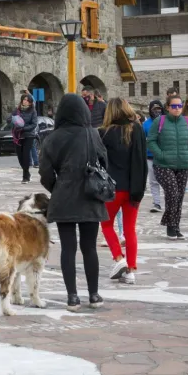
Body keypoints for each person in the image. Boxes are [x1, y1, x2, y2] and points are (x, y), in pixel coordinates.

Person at [40, 94, 108, 311]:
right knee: (90, 248)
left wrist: (57, 188)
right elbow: (104, 162)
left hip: (64, 197)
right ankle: (94, 295)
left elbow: (45, 173)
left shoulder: (52, 138)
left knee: (68, 248)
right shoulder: (92, 134)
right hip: (90, 196)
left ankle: (72, 297)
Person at [99, 98, 147, 285]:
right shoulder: (138, 130)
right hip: (133, 187)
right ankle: (131, 271)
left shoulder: (104, 133)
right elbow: (142, 160)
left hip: (112, 188)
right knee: (129, 230)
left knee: (106, 225)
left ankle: (119, 259)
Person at [147, 94, 188, 240]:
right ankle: (170, 225)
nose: (177, 109)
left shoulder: (187, 121)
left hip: (183, 164)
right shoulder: (159, 121)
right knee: (173, 193)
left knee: (179, 196)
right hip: (163, 165)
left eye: (179, 106)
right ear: (167, 107)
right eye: (174, 106)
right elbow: (151, 140)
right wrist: (160, 154)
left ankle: (175, 226)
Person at [142, 100, 164, 213]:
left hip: (165, 157)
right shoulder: (145, 125)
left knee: (166, 181)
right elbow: (142, 140)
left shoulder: (166, 121)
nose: (157, 111)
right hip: (150, 157)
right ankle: (157, 203)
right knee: (153, 181)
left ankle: (170, 203)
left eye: (159, 108)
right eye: (154, 109)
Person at [11, 93, 38, 183]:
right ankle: (26, 172)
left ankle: (25, 176)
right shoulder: (17, 110)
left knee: (26, 155)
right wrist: (12, 120)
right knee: (20, 156)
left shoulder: (33, 111)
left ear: (30, 103)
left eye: (27, 100)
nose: (25, 101)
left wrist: (23, 128)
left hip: (28, 135)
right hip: (18, 136)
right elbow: (10, 119)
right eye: (24, 99)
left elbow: (34, 124)